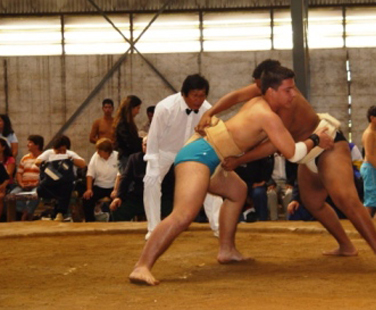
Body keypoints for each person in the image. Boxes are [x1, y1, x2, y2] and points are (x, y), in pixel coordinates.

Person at [129, 66, 335, 286]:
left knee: (238, 191)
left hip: (213, 157)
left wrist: (215, 120)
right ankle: (142, 266)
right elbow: (293, 153)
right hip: (198, 155)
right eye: (288, 90)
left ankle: (226, 250)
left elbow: (268, 143)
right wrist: (315, 139)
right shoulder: (267, 115)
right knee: (184, 214)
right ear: (271, 91)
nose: (294, 95)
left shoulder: (265, 105)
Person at [199, 60, 376, 276]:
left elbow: (273, 145)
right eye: (258, 87)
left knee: (346, 199)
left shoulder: (285, 100)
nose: (256, 92)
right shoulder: (266, 92)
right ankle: (346, 246)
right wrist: (210, 112)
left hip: (326, 145)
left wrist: (239, 160)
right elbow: (235, 96)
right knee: (313, 202)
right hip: (306, 152)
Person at [143, 74, 221, 240]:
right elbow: (154, 136)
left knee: (210, 181)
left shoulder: (208, 109)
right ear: (184, 94)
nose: (199, 100)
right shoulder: (165, 107)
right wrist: (153, 163)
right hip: (164, 150)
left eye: (202, 95)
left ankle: (219, 226)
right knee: (151, 180)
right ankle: (154, 229)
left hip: (192, 151)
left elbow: (213, 136)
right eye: (195, 95)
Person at [35, 135, 86, 221]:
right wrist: (48, 162)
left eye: (64, 150)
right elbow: (37, 162)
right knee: (41, 189)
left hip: (66, 182)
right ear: (54, 148)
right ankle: (55, 211)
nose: (61, 152)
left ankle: (61, 212)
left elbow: (83, 164)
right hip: (51, 182)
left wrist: (71, 160)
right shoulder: (48, 153)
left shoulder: (70, 154)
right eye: (59, 150)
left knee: (66, 187)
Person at [110, 136, 148, 221]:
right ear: (142, 145)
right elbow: (125, 178)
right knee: (118, 209)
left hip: (159, 197)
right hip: (138, 197)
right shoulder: (134, 158)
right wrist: (118, 197)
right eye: (145, 145)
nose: (147, 147)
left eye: (150, 145)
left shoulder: (164, 159)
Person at [83, 138, 119, 222]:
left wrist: (116, 190)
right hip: (99, 186)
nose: (98, 153)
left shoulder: (117, 156)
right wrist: (89, 189)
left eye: (100, 151)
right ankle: (90, 222)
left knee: (118, 199)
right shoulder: (95, 156)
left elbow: (119, 175)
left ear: (107, 152)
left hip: (113, 186)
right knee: (86, 199)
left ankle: (113, 221)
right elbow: (90, 173)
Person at [10, 135, 44, 221]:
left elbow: (46, 176)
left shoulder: (44, 158)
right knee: (11, 196)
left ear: (37, 145)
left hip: (37, 185)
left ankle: (26, 214)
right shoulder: (25, 157)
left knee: (36, 194)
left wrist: (36, 184)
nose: (27, 144)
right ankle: (26, 211)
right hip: (23, 185)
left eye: (30, 142)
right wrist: (21, 183)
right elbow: (19, 173)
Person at [113, 95, 142, 172]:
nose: (138, 111)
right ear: (131, 108)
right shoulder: (122, 124)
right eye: (137, 108)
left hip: (129, 157)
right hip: (126, 158)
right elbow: (130, 142)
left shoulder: (128, 123)